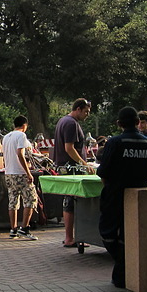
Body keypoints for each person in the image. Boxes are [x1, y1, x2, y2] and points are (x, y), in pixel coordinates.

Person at [97, 106, 147, 288]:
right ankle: (124, 271)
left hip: (115, 195)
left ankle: (122, 267)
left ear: (118, 124)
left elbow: (104, 171)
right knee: (128, 235)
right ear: (138, 122)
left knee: (107, 233)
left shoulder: (115, 143)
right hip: (139, 196)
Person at [54, 98, 93, 247]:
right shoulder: (71, 124)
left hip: (66, 167)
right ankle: (71, 237)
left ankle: (71, 236)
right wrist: (83, 164)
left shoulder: (62, 121)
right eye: (86, 112)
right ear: (78, 109)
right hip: (72, 168)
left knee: (69, 201)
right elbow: (69, 148)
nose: (87, 115)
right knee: (73, 202)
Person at [2, 116, 38, 240]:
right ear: (24, 126)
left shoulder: (6, 137)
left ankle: (13, 229)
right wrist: (28, 172)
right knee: (31, 199)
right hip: (20, 173)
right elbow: (20, 154)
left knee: (13, 201)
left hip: (9, 173)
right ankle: (25, 227)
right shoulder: (21, 136)